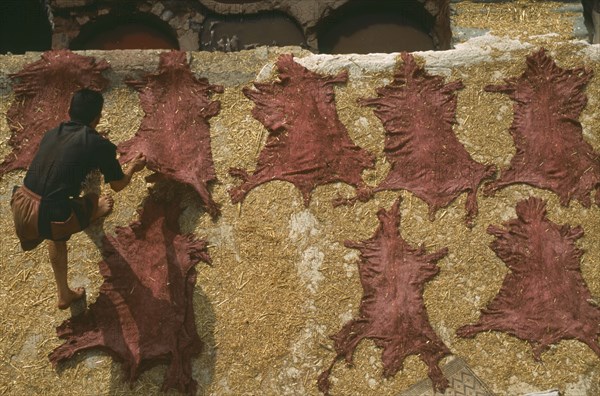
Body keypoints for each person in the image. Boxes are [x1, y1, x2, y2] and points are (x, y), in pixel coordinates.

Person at [10, 88, 146, 310]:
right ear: (98, 118)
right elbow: (118, 185)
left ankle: (64, 294)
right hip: (50, 216)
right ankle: (93, 209)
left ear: (68, 111)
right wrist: (133, 167)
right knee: (92, 186)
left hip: (20, 204)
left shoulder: (51, 133)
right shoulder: (100, 145)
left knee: (55, 222)